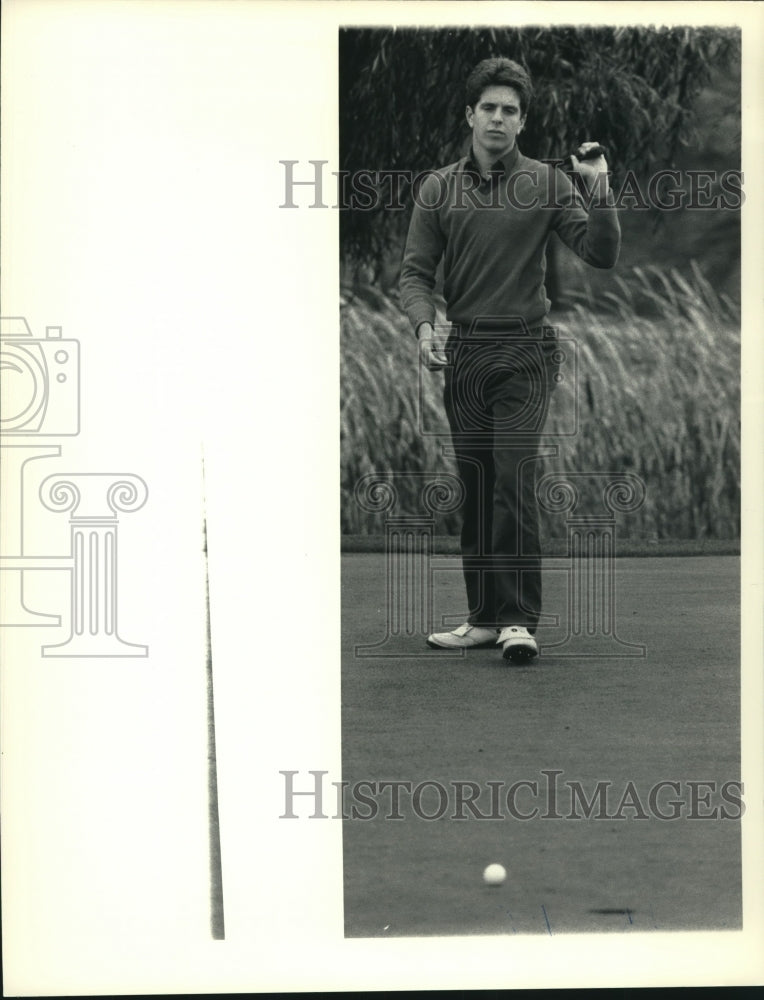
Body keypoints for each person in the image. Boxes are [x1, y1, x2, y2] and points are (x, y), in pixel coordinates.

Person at [399, 56, 620, 662]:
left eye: (511, 111)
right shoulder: (438, 187)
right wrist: (424, 326)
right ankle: (483, 618)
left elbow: (600, 254)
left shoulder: (548, 183)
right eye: (489, 108)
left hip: (526, 350)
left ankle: (518, 621)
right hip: (465, 351)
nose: (498, 118)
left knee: (512, 478)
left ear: (522, 122)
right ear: (470, 115)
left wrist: (599, 189)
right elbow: (415, 274)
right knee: (477, 483)